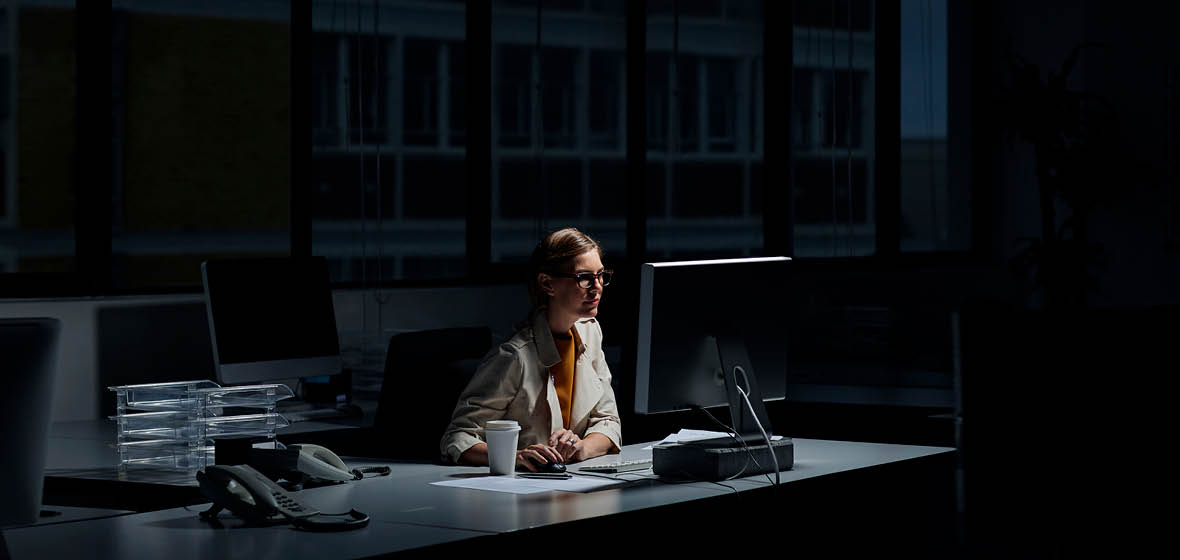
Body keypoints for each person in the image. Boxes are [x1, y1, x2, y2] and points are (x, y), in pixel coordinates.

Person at [440, 228, 621, 471]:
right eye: (584, 278)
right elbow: (457, 438)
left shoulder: (590, 331)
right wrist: (514, 457)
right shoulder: (514, 356)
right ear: (547, 284)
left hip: (574, 481)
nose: (597, 286)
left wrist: (583, 448)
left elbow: (608, 420)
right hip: (522, 492)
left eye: (601, 275)